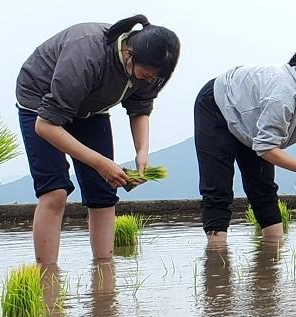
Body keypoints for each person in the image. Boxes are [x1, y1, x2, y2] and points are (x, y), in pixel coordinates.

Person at [15, 15, 180, 265]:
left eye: (152, 79)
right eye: (145, 75)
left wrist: (142, 152)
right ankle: (47, 277)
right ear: (129, 53)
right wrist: (100, 163)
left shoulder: (150, 71)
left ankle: (105, 275)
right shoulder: (86, 55)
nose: (148, 81)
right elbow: (46, 126)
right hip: (40, 104)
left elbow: (140, 110)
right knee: (55, 190)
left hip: (91, 108)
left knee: (104, 192)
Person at [195, 51, 296, 247]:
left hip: (253, 120)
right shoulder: (283, 95)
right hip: (218, 105)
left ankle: (273, 252)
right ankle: (217, 260)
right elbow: (266, 148)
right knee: (218, 187)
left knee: (263, 187)